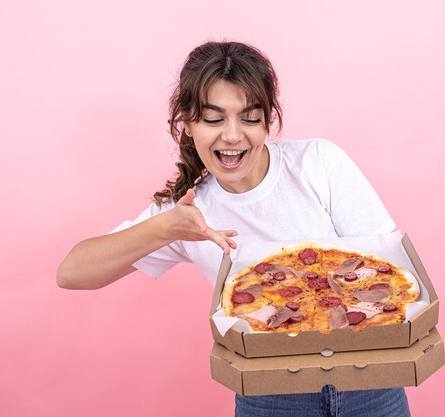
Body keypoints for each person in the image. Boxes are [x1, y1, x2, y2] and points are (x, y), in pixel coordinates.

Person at [57, 40, 412, 417]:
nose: (231, 135)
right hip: (270, 391)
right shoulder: (187, 211)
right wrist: (165, 229)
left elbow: (389, 263)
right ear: (187, 124)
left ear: (267, 121)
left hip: (368, 376)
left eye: (249, 117)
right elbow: (72, 273)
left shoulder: (318, 163)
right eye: (213, 119)